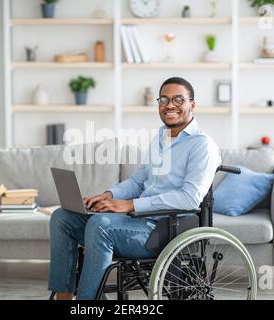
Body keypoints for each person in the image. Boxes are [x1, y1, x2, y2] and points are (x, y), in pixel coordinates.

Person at [48, 77, 221, 300]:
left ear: (192, 105)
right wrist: (109, 195)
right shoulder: (161, 138)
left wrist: (130, 204)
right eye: (164, 100)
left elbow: (189, 199)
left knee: (101, 225)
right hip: (138, 220)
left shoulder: (202, 145)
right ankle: (65, 296)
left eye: (178, 100)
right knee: (62, 217)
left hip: (165, 229)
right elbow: (138, 181)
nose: (170, 105)